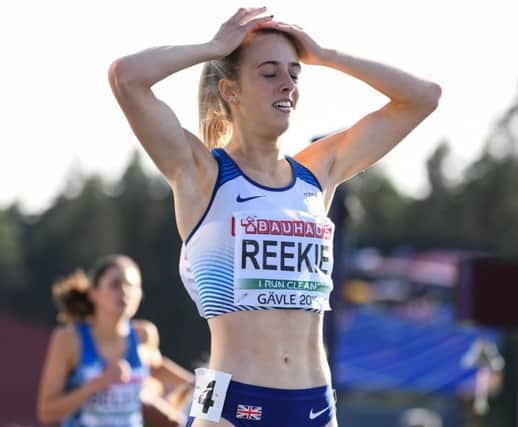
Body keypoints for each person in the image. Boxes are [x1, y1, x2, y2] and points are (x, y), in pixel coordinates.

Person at [108, 7, 440, 426]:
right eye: (269, 73)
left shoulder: (318, 173)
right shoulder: (203, 174)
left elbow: (423, 97)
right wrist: (213, 49)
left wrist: (328, 56)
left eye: (295, 74)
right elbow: (126, 77)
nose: (288, 84)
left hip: (315, 407)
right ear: (231, 91)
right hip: (232, 406)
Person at [37, 254, 195, 426]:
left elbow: (156, 367)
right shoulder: (69, 340)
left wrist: (198, 386)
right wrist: (98, 384)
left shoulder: (144, 335)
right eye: (115, 285)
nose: (125, 292)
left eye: (132, 286)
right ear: (93, 293)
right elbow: (47, 412)